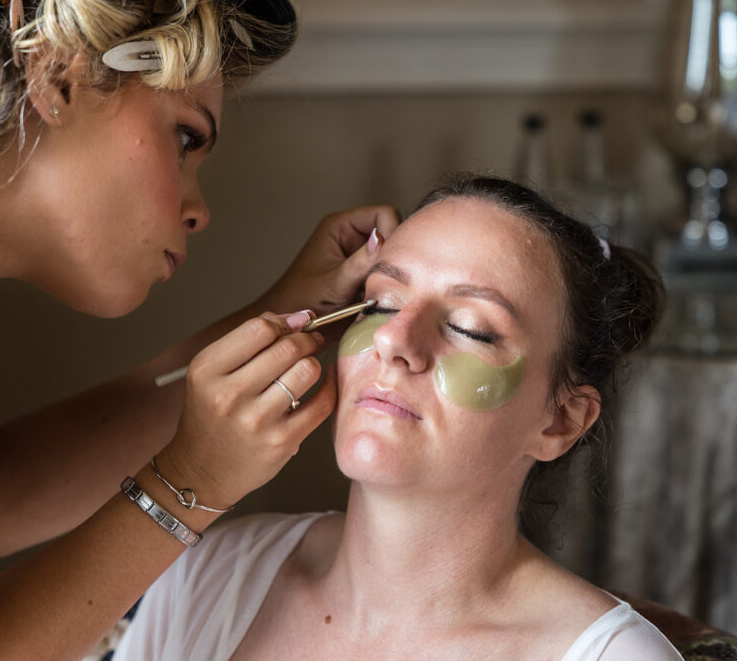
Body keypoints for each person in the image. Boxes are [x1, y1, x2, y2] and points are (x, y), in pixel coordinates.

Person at [0, 0, 400, 659]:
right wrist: (194, 482)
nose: (200, 211)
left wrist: (286, 317)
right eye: (186, 137)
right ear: (57, 74)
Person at [113, 175, 682, 660]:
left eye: (470, 329)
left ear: (560, 421)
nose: (392, 339)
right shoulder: (212, 573)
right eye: (381, 304)